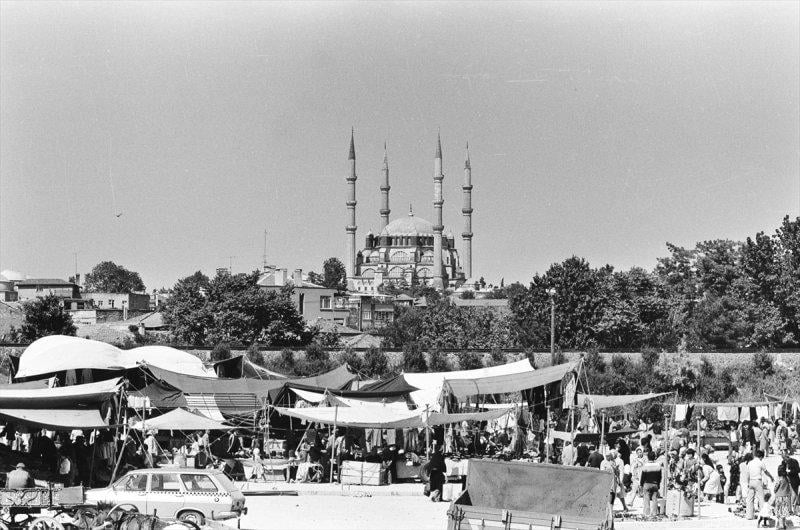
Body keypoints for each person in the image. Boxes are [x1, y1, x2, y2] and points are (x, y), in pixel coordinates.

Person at [746, 449, 775, 520]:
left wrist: (748, 482)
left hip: (751, 481)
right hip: (758, 481)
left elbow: (748, 474)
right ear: (761, 456)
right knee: (761, 499)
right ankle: (764, 515)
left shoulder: (750, 463)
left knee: (750, 499)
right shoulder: (760, 463)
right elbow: (766, 472)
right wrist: (771, 477)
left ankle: (749, 516)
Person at [639, 451, 662, 518]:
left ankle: (647, 513)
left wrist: (641, 484)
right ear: (654, 457)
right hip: (655, 484)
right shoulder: (658, 465)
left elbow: (643, 476)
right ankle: (654, 513)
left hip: (647, 484)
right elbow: (660, 477)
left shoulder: (645, 465)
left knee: (646, 498)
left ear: (648, 457)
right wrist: (658, 484)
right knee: (655, 498)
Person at [773, 465, 792, 530]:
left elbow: (776, 486)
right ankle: (784, 524)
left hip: (779, 496)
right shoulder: (787, 478)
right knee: (784, 511)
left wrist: (774, 490)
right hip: (785, 496)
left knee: (779, 511)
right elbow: (789, 487)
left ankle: (781, 525)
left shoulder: (779, 478)